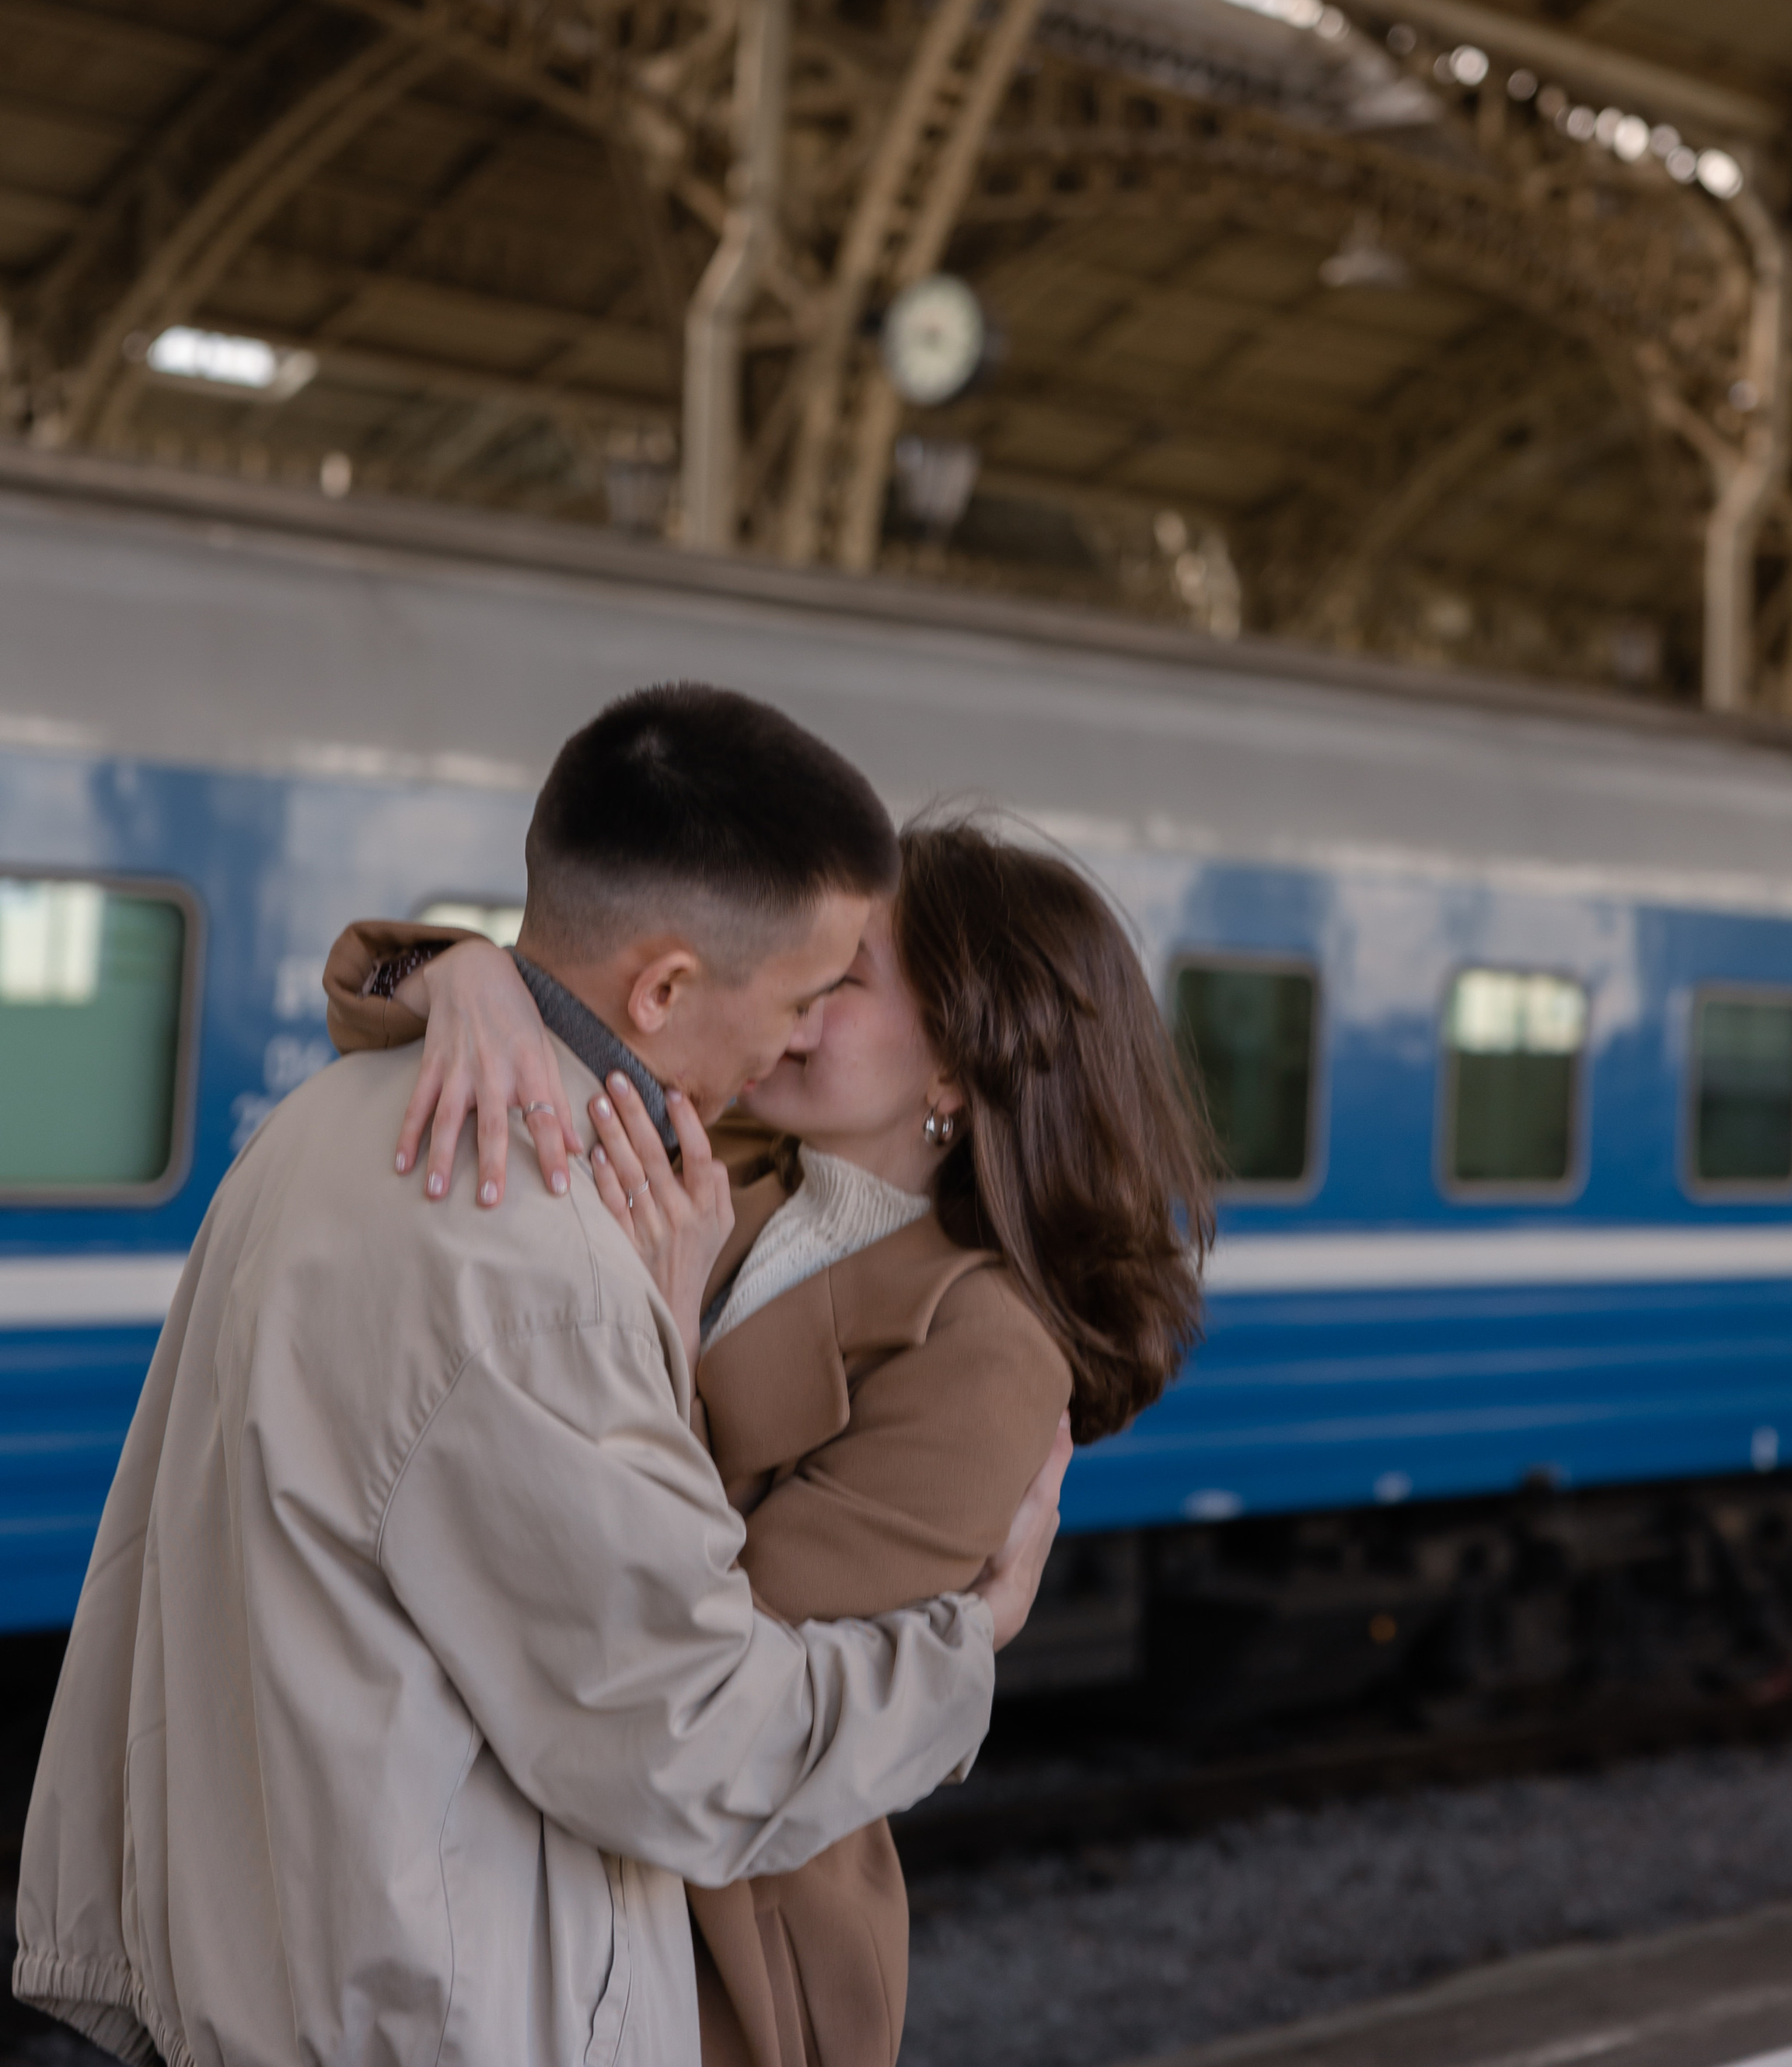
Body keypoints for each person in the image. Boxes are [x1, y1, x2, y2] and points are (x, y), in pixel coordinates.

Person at [13, 687, 1068, 2067]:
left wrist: (449, 971)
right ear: (670, 990)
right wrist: (963, 1655)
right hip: (422, 2013)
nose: (792, 1042)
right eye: (803, 995)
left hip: (243, 1955)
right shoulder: (548, 1263)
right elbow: (686, 1740)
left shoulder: (320, 1123)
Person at [321, 805, 1215, 2067]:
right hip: (549, 1877)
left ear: (958, 1066)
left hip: (718, 1946)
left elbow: (704, 1673)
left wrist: (669, 1337)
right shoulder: (734, 1150)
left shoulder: (988, 1349)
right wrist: (471, 978)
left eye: (841, 977)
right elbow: (372, 1002)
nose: (786, 997)